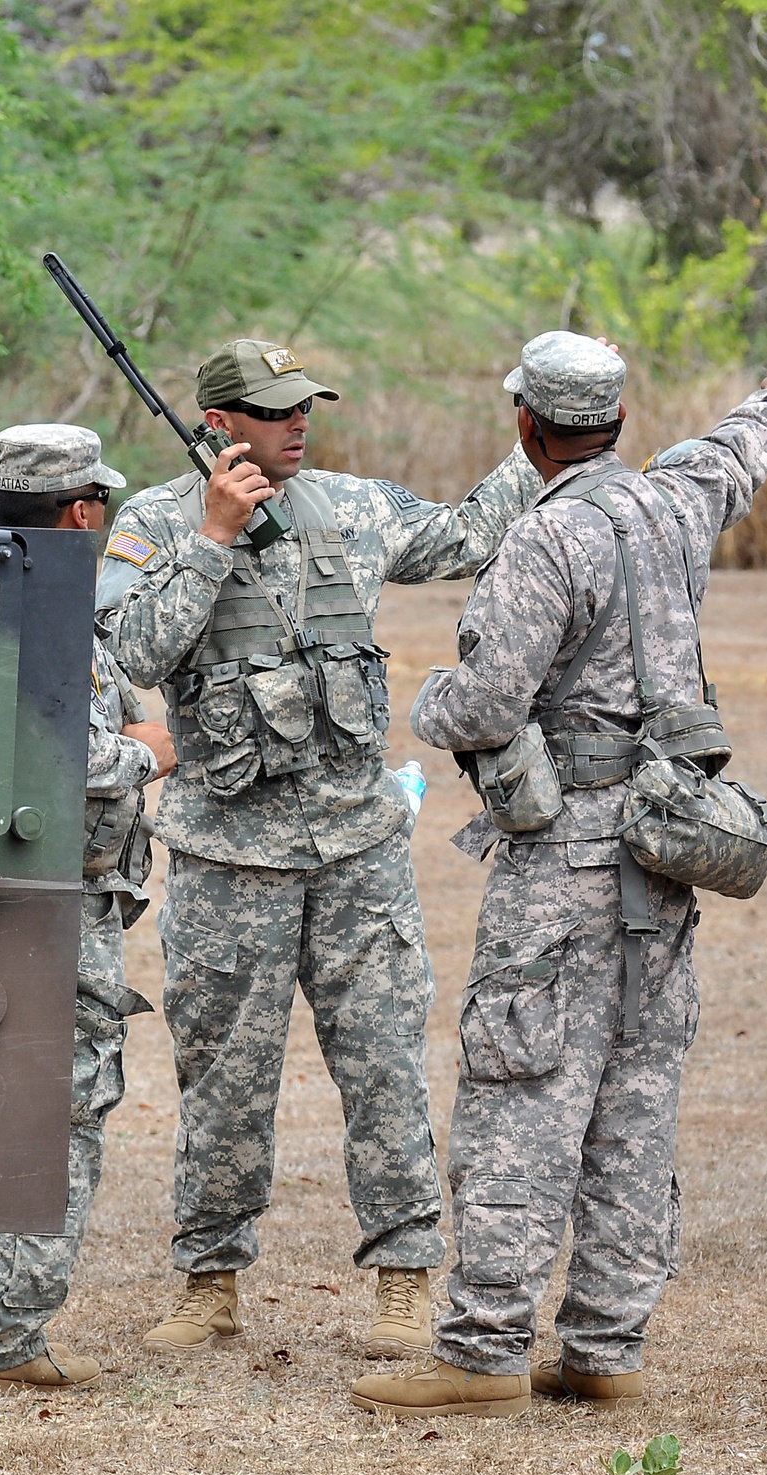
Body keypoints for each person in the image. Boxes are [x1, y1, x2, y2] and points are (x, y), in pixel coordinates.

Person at [349, 332, 767, 1417]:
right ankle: (605, 1349)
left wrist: (427, 695)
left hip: (561, 858)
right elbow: (735, 452)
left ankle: (481, 1355)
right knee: (633, 1097)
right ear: (616, 419)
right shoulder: (672, 503)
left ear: (526, 427)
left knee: (523, 1091)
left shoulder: (543, 538)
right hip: (664, 847)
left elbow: (478, 709)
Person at [95, 339, 533, 1359]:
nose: (300, 423)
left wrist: (547, 416)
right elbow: (129, 656)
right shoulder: (156, 522)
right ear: (221, 424)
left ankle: (404, 1278)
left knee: (383, 1068)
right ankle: (210, 1282)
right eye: (276, 410)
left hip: (355, 853)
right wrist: (212, 535)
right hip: (224, 857)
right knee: (222, 1082)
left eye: (305, 407)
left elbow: (472, 533)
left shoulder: (357, 507)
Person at [0, 424, 176, 1394]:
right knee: (56, 1110)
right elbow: (78, 763)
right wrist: (149, 751)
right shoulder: (47, 601)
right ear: (83, 510)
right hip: (54, 896)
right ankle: (6, 1341)